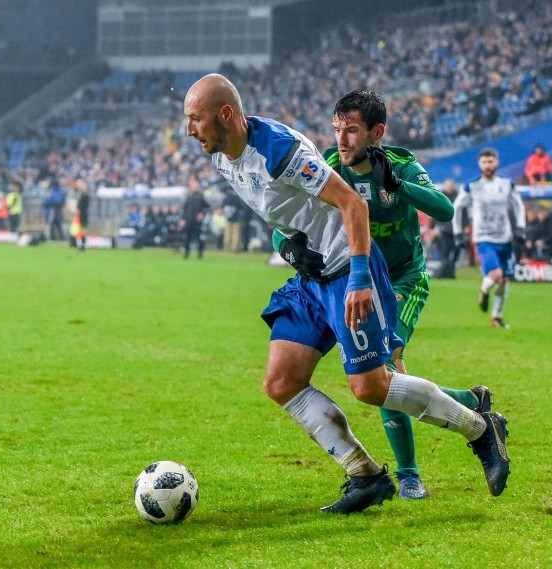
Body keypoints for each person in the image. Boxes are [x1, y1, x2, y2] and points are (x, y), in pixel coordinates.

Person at [184, 74, 509, 513]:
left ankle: (478, 429)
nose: (190, 130)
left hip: (348, 270)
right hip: (311, 277)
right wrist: (286, 243)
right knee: (281, 382)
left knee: (371, 387)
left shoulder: (281, 151)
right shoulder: (222, 156)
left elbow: (353, 205)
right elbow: (278, 213)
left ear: (225, 115)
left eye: (195, 119)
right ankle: (365, 475)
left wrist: (358, 278)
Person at [273, 89, 493, 500]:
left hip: (402, 280)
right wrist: (285, 246)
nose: (342, 139)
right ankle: (470, 401)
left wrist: (398, 185)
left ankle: (409, 474)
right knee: (384, 378)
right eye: (338, 129)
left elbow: (444, 210)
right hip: (354, 283)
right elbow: (283, 217)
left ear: (377, 133)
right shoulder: (325, 166)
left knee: (387, 367)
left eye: (352, 130)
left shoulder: (402, 164)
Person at [451, 147, 526, 328]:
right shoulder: (471, 186)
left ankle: (496, 317)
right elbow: (456, 208)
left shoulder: (507, 183)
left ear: (497, 162)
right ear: (479, 164)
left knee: (504, 279)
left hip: (505, 237)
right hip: (483, 238)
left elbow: (518, 206)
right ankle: (484, 290)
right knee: (496, 274)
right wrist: (458, 232)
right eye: (484, 162)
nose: (487, 165)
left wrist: (521, 228)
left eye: (490, 161)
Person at [180, 175, 210, 259]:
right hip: (189, 221)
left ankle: (200, 254)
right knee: (187, 238)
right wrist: (183, 218)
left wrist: (202, 214)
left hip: (197, 222)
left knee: (199, 238)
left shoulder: (200, 197)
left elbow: (207, 207)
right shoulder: (188, 197)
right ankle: (186, 254)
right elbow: (185, 209)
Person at [75, 180, 90, 251]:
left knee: (83, 230)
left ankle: (83, 245)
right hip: (80, 214)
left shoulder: (85, 195)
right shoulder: (81, 195)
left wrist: (79, 210)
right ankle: (81, 245)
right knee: (80, 230)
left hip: (83, 214)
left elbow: (83, 205)